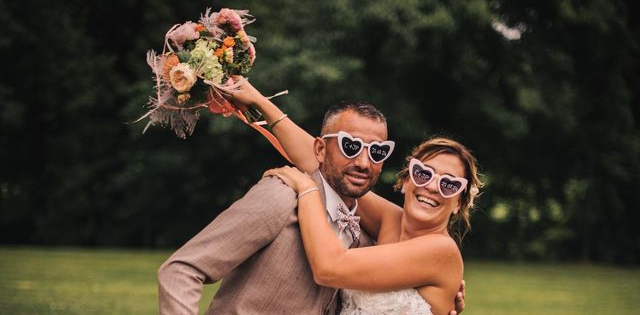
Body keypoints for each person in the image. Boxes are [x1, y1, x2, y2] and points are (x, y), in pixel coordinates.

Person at [157, 81, 466, 314]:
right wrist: (260, 101)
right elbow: (182, 270)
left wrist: (307, 190)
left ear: (461, 202)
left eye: (450, 185)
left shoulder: (370, 237)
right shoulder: (285, 198)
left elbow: (330, 267)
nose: (432, 187)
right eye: (423, 174)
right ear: (407, 180)